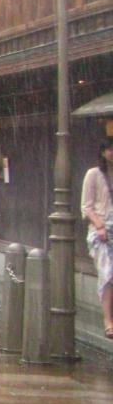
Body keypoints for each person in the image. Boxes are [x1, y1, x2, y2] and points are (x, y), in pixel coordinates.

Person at [80, 139, 113, 338]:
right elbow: (86, 206)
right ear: (103, 152)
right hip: (100, 230)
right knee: (107, 273)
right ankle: (108, 320)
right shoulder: (93, 174)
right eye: (110, 149)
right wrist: (99, 225)